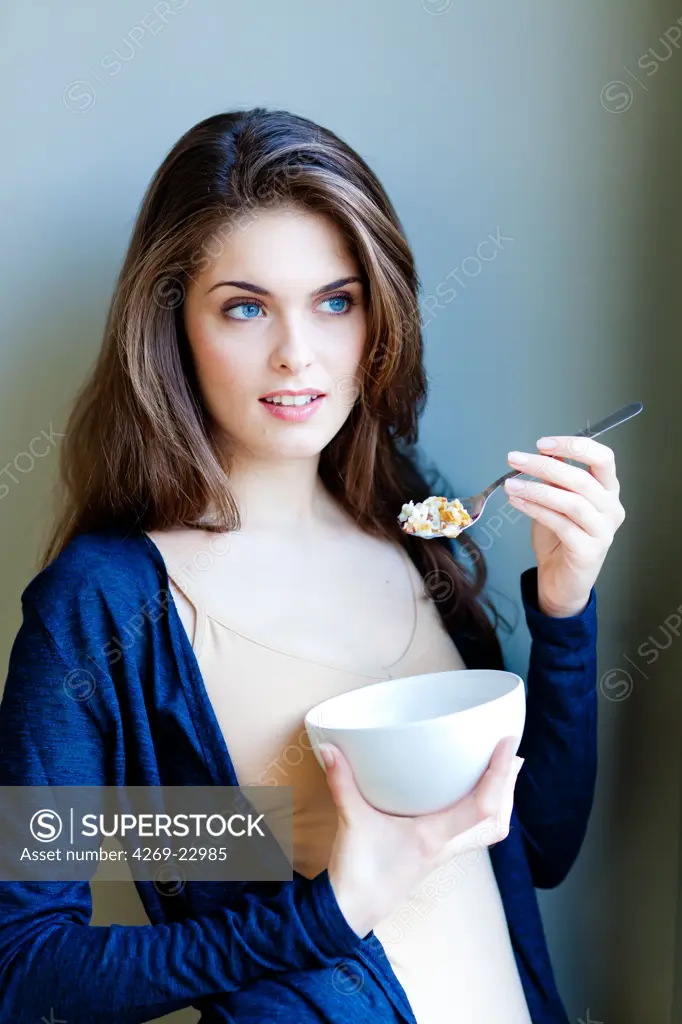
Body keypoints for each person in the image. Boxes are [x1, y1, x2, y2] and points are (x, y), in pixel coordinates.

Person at [0, 108, 626, 1024]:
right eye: (245, 307)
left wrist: (565, 609)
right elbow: (27, 966)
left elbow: (538, 845)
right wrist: (328, 908)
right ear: (174, 320)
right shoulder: (101, 603)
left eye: (336, 300)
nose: (298, 352)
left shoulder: (416, 524)